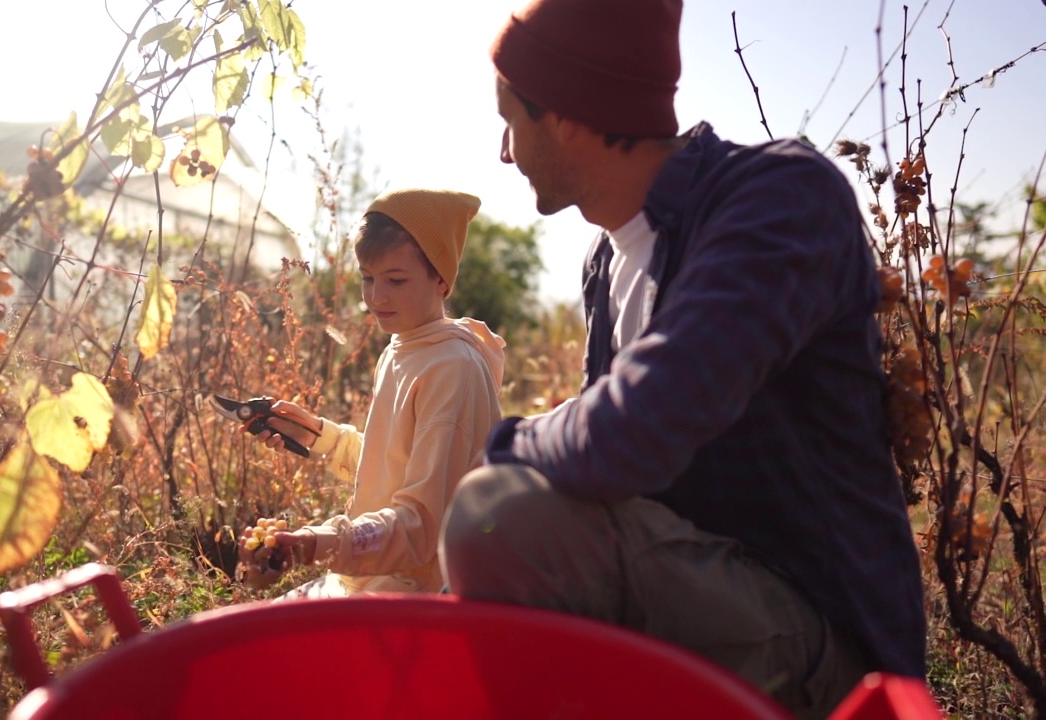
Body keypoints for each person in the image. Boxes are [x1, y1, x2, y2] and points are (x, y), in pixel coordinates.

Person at [437, 1, 926, 717]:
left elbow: (629, 436)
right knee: (500, 526)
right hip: (700, 600)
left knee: (498, 517)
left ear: (569, 115)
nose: (504, 151)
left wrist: (506, 446)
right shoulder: (606, 262)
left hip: (831, 661)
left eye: (511, 121)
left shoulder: (779, 197)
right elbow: (596, 481)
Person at [238, 187, 505, 599]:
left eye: (396, 280)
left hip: (414, 597)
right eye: (367, 278)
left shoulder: (452, 369)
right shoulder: (402, 347)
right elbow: (394, 465)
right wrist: (319, 437)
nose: (376, 297)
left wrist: (316, 544)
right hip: (370, 578)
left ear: (442, 280)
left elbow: (420, 527)